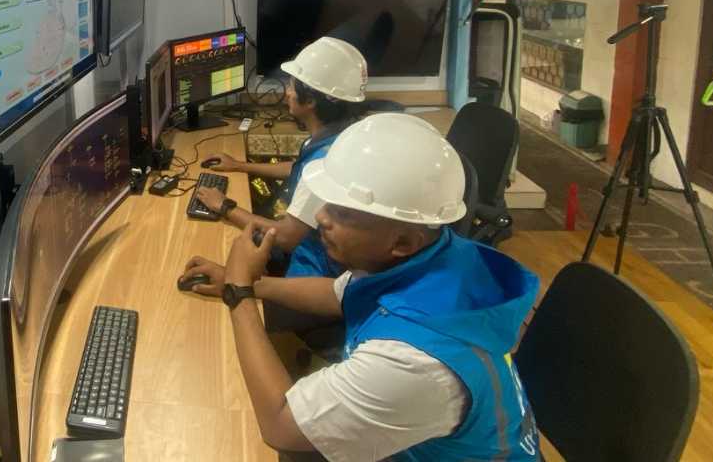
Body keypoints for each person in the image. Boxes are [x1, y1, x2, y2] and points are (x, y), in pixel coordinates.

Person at [180, 114, 540, 462]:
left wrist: (239, 293)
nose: (320, 217)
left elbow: (280, 426)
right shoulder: (434, 255)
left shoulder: (413, 362)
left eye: (343, 213)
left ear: (402, 242)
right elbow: (336, 293)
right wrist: (248, 282)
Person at [193, 36, 371, 278]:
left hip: (308, 271)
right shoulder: (340, 134)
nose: (287, 92)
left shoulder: (325, 162)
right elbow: (297, 169)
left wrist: (224, 206)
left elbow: (286, 238)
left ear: (310, 100)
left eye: (292, 86)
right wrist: (239, 166)